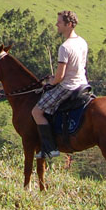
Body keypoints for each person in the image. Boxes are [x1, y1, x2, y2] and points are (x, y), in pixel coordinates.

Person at [31, 10, 89, 159]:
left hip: (68, 87)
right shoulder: (82, 42)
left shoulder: (64, 47)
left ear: (68, 25)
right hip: (82, 83)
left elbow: (60, 77)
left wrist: (51, 82)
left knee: (36, 112)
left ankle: (50, 148)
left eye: (59, 22)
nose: (56, 24)